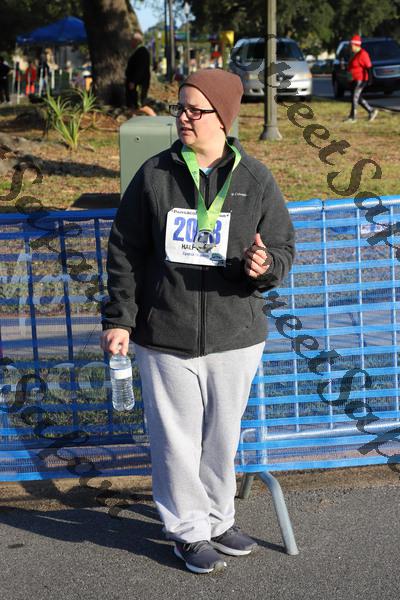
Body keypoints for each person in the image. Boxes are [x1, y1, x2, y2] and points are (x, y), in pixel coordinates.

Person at [100, 68, 295, 574]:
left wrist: (265, 266)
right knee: (176, 441)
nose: (183, 118)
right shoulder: (155, 175)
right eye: (180, 108)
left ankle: (218, 518)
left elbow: (282, 249)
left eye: (194, 110)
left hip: (236, 335)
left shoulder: (255, 179)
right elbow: (124, 251)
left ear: (222, 117)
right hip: (165, 332)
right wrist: (120, 319)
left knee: (222, 437)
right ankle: (188, 531)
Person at [344, 34, 378, 123]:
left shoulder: (363, 54)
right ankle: (371, 111)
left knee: (354, 97)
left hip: (361, 79)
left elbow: (369, 67)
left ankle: (353, 117)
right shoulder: (354, 54)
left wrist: (370, 79)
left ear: (356, 45)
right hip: (354, 79)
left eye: (351, 45)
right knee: (358, 98)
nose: (350, 47)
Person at [125, 32, 151, 110]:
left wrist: (134, 81)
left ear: (136, 41)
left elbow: (140, 69)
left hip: (139, 83)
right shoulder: (138, 51)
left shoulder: (142, 51)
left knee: (138, 103)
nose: (130, 43)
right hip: (136, 82)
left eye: (132, 40)